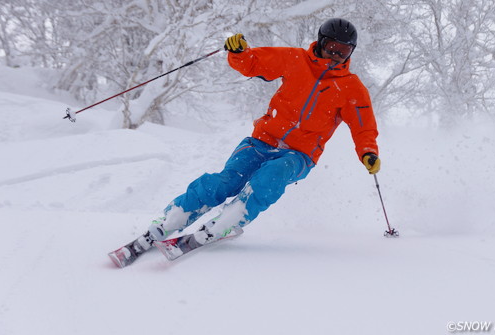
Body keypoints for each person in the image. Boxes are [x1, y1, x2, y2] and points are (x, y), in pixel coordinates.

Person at [138, 18, 381, 251]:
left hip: (299, 155)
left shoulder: (352, 87)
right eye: (332, 48)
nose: (336, 56)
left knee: (270, 177)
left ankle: (227, 222)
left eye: (344, 51)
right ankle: (171, 220)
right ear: (320, 42)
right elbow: (253, 63)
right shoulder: (295, 59)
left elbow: (363, 126)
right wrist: (239, 52)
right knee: (226, 182)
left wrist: (368, 152)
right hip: (261, 140)